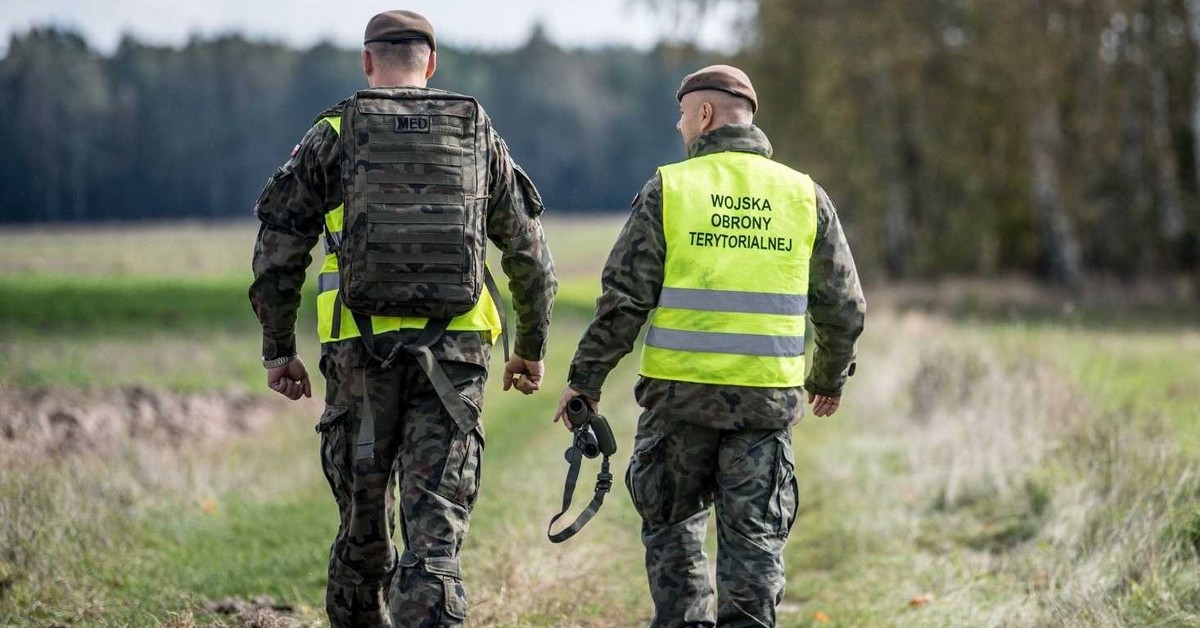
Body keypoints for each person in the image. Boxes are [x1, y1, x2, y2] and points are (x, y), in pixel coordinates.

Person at [249, 10, 557, 628]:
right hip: (456, 360)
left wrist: (279, 349)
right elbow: (528, 253)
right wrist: (530, 343)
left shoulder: (334, 132)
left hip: (358, 360)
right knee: (435, 536)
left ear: (367, 62)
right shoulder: (475, 132)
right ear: (431, 63)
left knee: (363, 532)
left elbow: (279, 249)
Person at [555, 64, 865, 627]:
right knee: (755, 546)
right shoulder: (803, 195)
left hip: (678, 405)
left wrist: (586, 380)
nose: (680, 127)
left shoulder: (669, 190)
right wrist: (828, 377)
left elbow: (623, 299)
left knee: (673, 534)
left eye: (682, 115)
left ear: (704, 114)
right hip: (764, 407)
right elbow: (844, 306)